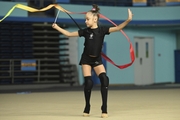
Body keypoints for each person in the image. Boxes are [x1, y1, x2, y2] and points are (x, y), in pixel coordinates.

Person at [52, 4, 133, 118]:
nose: (85, 21)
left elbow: (118, 28)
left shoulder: (102, 30)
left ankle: (104, 108)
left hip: (97, 60)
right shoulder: (85, 31)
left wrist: (128, 19)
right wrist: (57, 28)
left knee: (104, 80)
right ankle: (87, 106)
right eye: (85, 19)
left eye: (87, 19)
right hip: (86, 59)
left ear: (95, 19)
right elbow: (69, 34)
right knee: (89, 83)